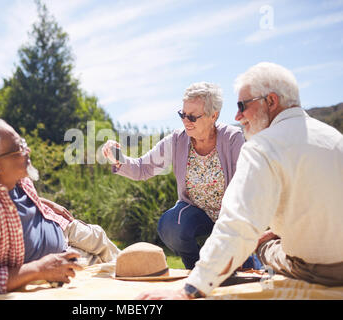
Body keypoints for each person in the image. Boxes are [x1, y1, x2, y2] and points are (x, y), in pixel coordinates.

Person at [138, 62, 343, 300]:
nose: (237, 116)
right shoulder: (334, 138)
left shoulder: (262, 147)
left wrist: (189, 290)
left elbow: (237, 225)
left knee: (263, 246)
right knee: (268, 238)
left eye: (242, 106)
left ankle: (252, 269)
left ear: (271, 101)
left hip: (323, 270)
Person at [0, 119, 120, 295]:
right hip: (59, 260)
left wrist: (47, 204)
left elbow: (17, 202)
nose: (27, 150)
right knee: (116, 274)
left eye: (22, 142)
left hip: (61, 225)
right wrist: (39, 269)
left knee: (101, 238)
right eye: (19, 148)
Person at [102, 82, 260, 270]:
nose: (186, 121)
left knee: (245, 271)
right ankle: (196, 268)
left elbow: (245, 187)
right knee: (170, 226)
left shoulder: (233, 138)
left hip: (230, 216)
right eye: (182, 114)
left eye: (192, 117)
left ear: (213, 115)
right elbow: (142, 169)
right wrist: (117, 158)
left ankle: (249, 261)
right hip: (196, 213)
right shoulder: (177, 140)